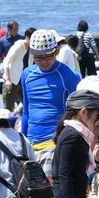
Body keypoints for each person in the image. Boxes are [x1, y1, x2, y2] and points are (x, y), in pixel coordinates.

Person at [19, 29, 81, 176]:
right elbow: (27, 111)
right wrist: (22, 141)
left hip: (55, 143)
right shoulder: (27, 75)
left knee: (50, 190)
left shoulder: (70, 76)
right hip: (32, 142)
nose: (44, 61)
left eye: (48, 56)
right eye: (39, 58)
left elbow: (77, 114)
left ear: (57, 51)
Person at [1, 27, 35, 111]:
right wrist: (8, 79)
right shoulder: (18, 47)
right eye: (33, 40)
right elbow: (6, 62)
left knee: (29, 105)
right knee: (8, 107)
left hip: (24, 81)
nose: (35, 42)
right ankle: (6, 124)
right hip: (12, 81)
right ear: (27, 38)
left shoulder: (32, 49)